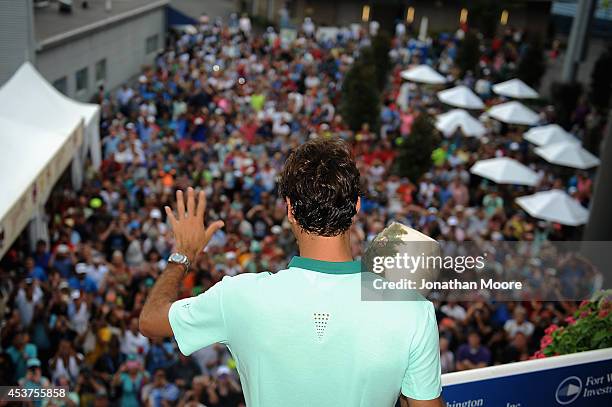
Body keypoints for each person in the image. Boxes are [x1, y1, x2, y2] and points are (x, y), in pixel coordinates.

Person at [140, 138, 443, 406]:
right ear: (357, 207)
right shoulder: (413, 309)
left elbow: (150, 320)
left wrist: (184, 255)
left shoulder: (238, 296)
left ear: (289, 210)